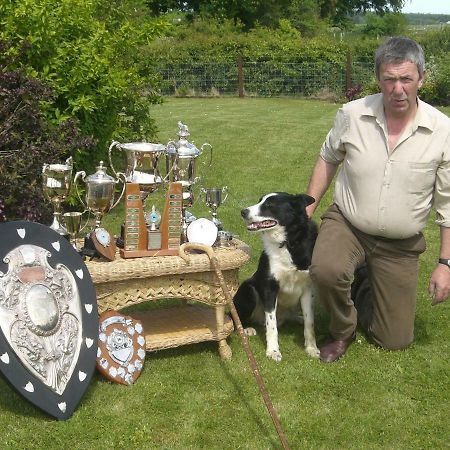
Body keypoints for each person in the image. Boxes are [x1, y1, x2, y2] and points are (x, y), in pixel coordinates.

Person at [305, 36, 450, 363]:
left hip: (400, 244)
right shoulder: (352, 114)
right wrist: (307, 210)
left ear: (421, 79)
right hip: (349, 224)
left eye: (406, 79)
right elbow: (328, 158)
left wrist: (445, 264)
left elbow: (448, 205)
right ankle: (342, 330)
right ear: (379, 78)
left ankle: (364, 283)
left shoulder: (443, 131)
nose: (397, 89)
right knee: (326, 270)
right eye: (389, 79)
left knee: (394, 340)